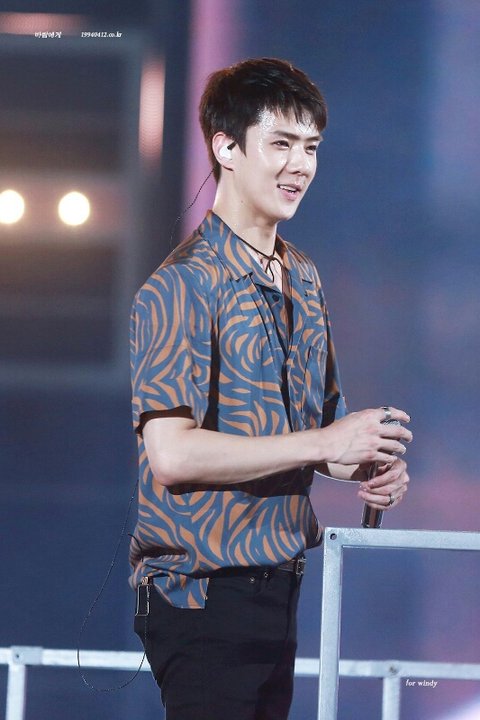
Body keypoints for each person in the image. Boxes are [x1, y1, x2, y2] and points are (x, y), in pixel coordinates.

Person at [129, 57, 412, 720]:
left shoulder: (302, 277)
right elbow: (172, 455)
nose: (300, 165)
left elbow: (320, 433)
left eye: (311, 147)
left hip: (281, 588)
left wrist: (366, 462)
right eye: (281, 143)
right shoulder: (181, 285)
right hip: (200, 594)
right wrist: (325, 442)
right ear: (226, 148)